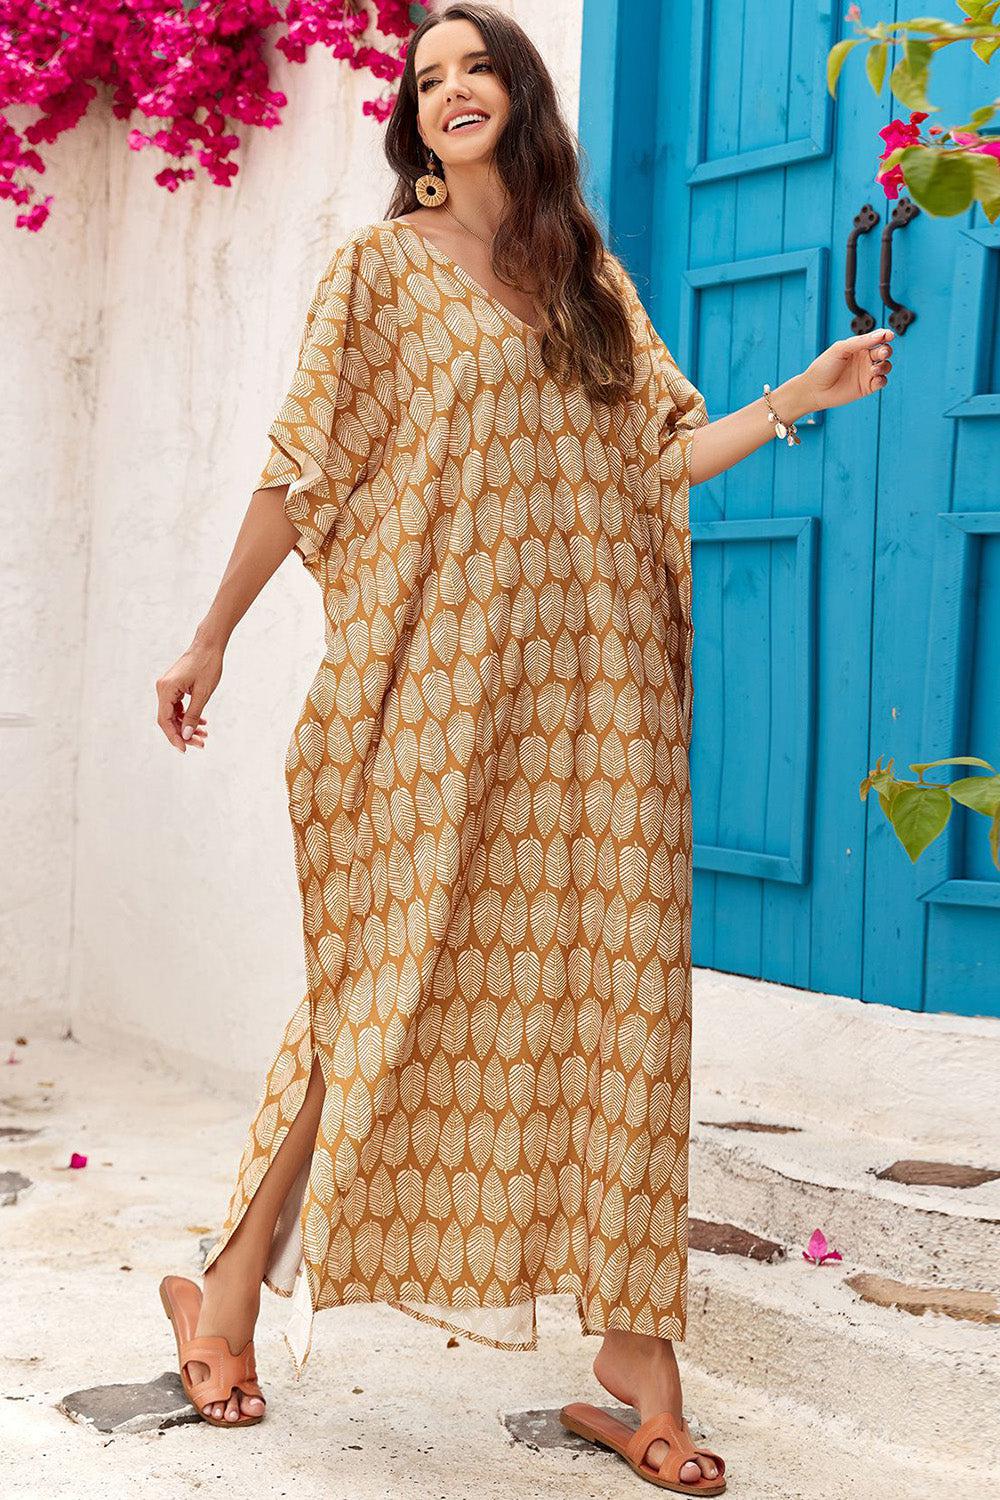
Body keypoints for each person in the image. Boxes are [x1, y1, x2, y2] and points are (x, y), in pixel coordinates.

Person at [154, 3, 893, 1489]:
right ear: (410, 123)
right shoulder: (376, 275)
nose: (450, 92)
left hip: (600, 711)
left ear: (521, 92)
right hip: (439, 699)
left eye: (475, 65)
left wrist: (793, 400)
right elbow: (304, 469)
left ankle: (635, 1366)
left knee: (624, 1009)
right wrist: (212, 634)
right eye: (425, 80)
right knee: (384, 983)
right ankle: (225, 1287)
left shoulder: (586, 281)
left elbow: (655, 453)